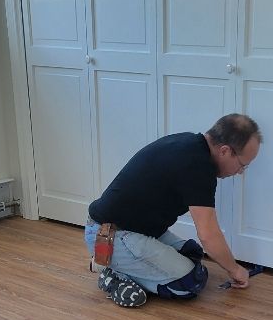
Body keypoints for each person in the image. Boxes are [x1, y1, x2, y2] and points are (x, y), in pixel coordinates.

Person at [85, 114, 261, 308]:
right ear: (225, 151)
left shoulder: (190, 144)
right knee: (191, 284)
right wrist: (235, 269)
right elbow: (209, 235)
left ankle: (124, 267)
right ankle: (114, 274)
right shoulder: (197, 166)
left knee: (193, 253)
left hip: (135, 231)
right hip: (109, 236)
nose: (241, 172)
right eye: (242, 165)